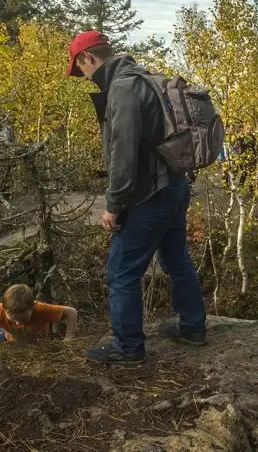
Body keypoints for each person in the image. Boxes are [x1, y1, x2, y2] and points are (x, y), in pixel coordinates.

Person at [68, 31, 207, 365]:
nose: (83, 76)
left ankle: (128, 347)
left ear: (88, 58)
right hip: (175, 185)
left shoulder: (122, 88)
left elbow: (123, 152)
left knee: (121, 272)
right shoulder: (147, 78)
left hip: (150, 193)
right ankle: (193, 327)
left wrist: (114, 205)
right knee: (176, 258)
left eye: (80, 68)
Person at [0, 284, 78, 342]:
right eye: (13, 319)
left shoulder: (41, 309)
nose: (18, 323)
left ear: (32, 307)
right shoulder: (1, 310)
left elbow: (71, 312)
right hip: (12, 343)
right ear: (4, 308)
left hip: (38, 346)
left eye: (24, 318)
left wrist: (69, 338)